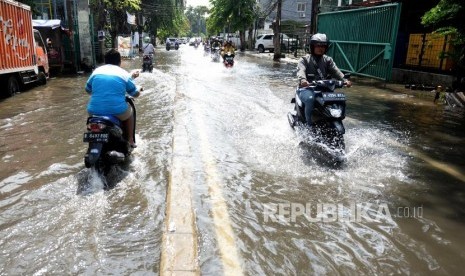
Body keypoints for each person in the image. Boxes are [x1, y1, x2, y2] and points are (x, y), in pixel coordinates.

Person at [85, 49, 141, 148]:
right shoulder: (123, 73)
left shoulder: (96, 72)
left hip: (93, 111)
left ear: (105, 61)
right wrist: (139, 90)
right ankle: (130, 140)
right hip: (117, 111)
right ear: (119, 61)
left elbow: (88, 90)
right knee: (130, 112)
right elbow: (134, 93)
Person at [296, 33, 351, 126]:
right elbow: (301, 71)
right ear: (312, 46)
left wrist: (344, 80)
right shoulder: (304, 60)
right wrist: (303, 80)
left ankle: (333, 119)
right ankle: (308, 125)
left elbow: (336, 71)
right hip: (307, 89)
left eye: (323, 46)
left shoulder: (328, 60)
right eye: (317, 46)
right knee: (310, 99)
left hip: (323, 88)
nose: (320, 48)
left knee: (338, 99)